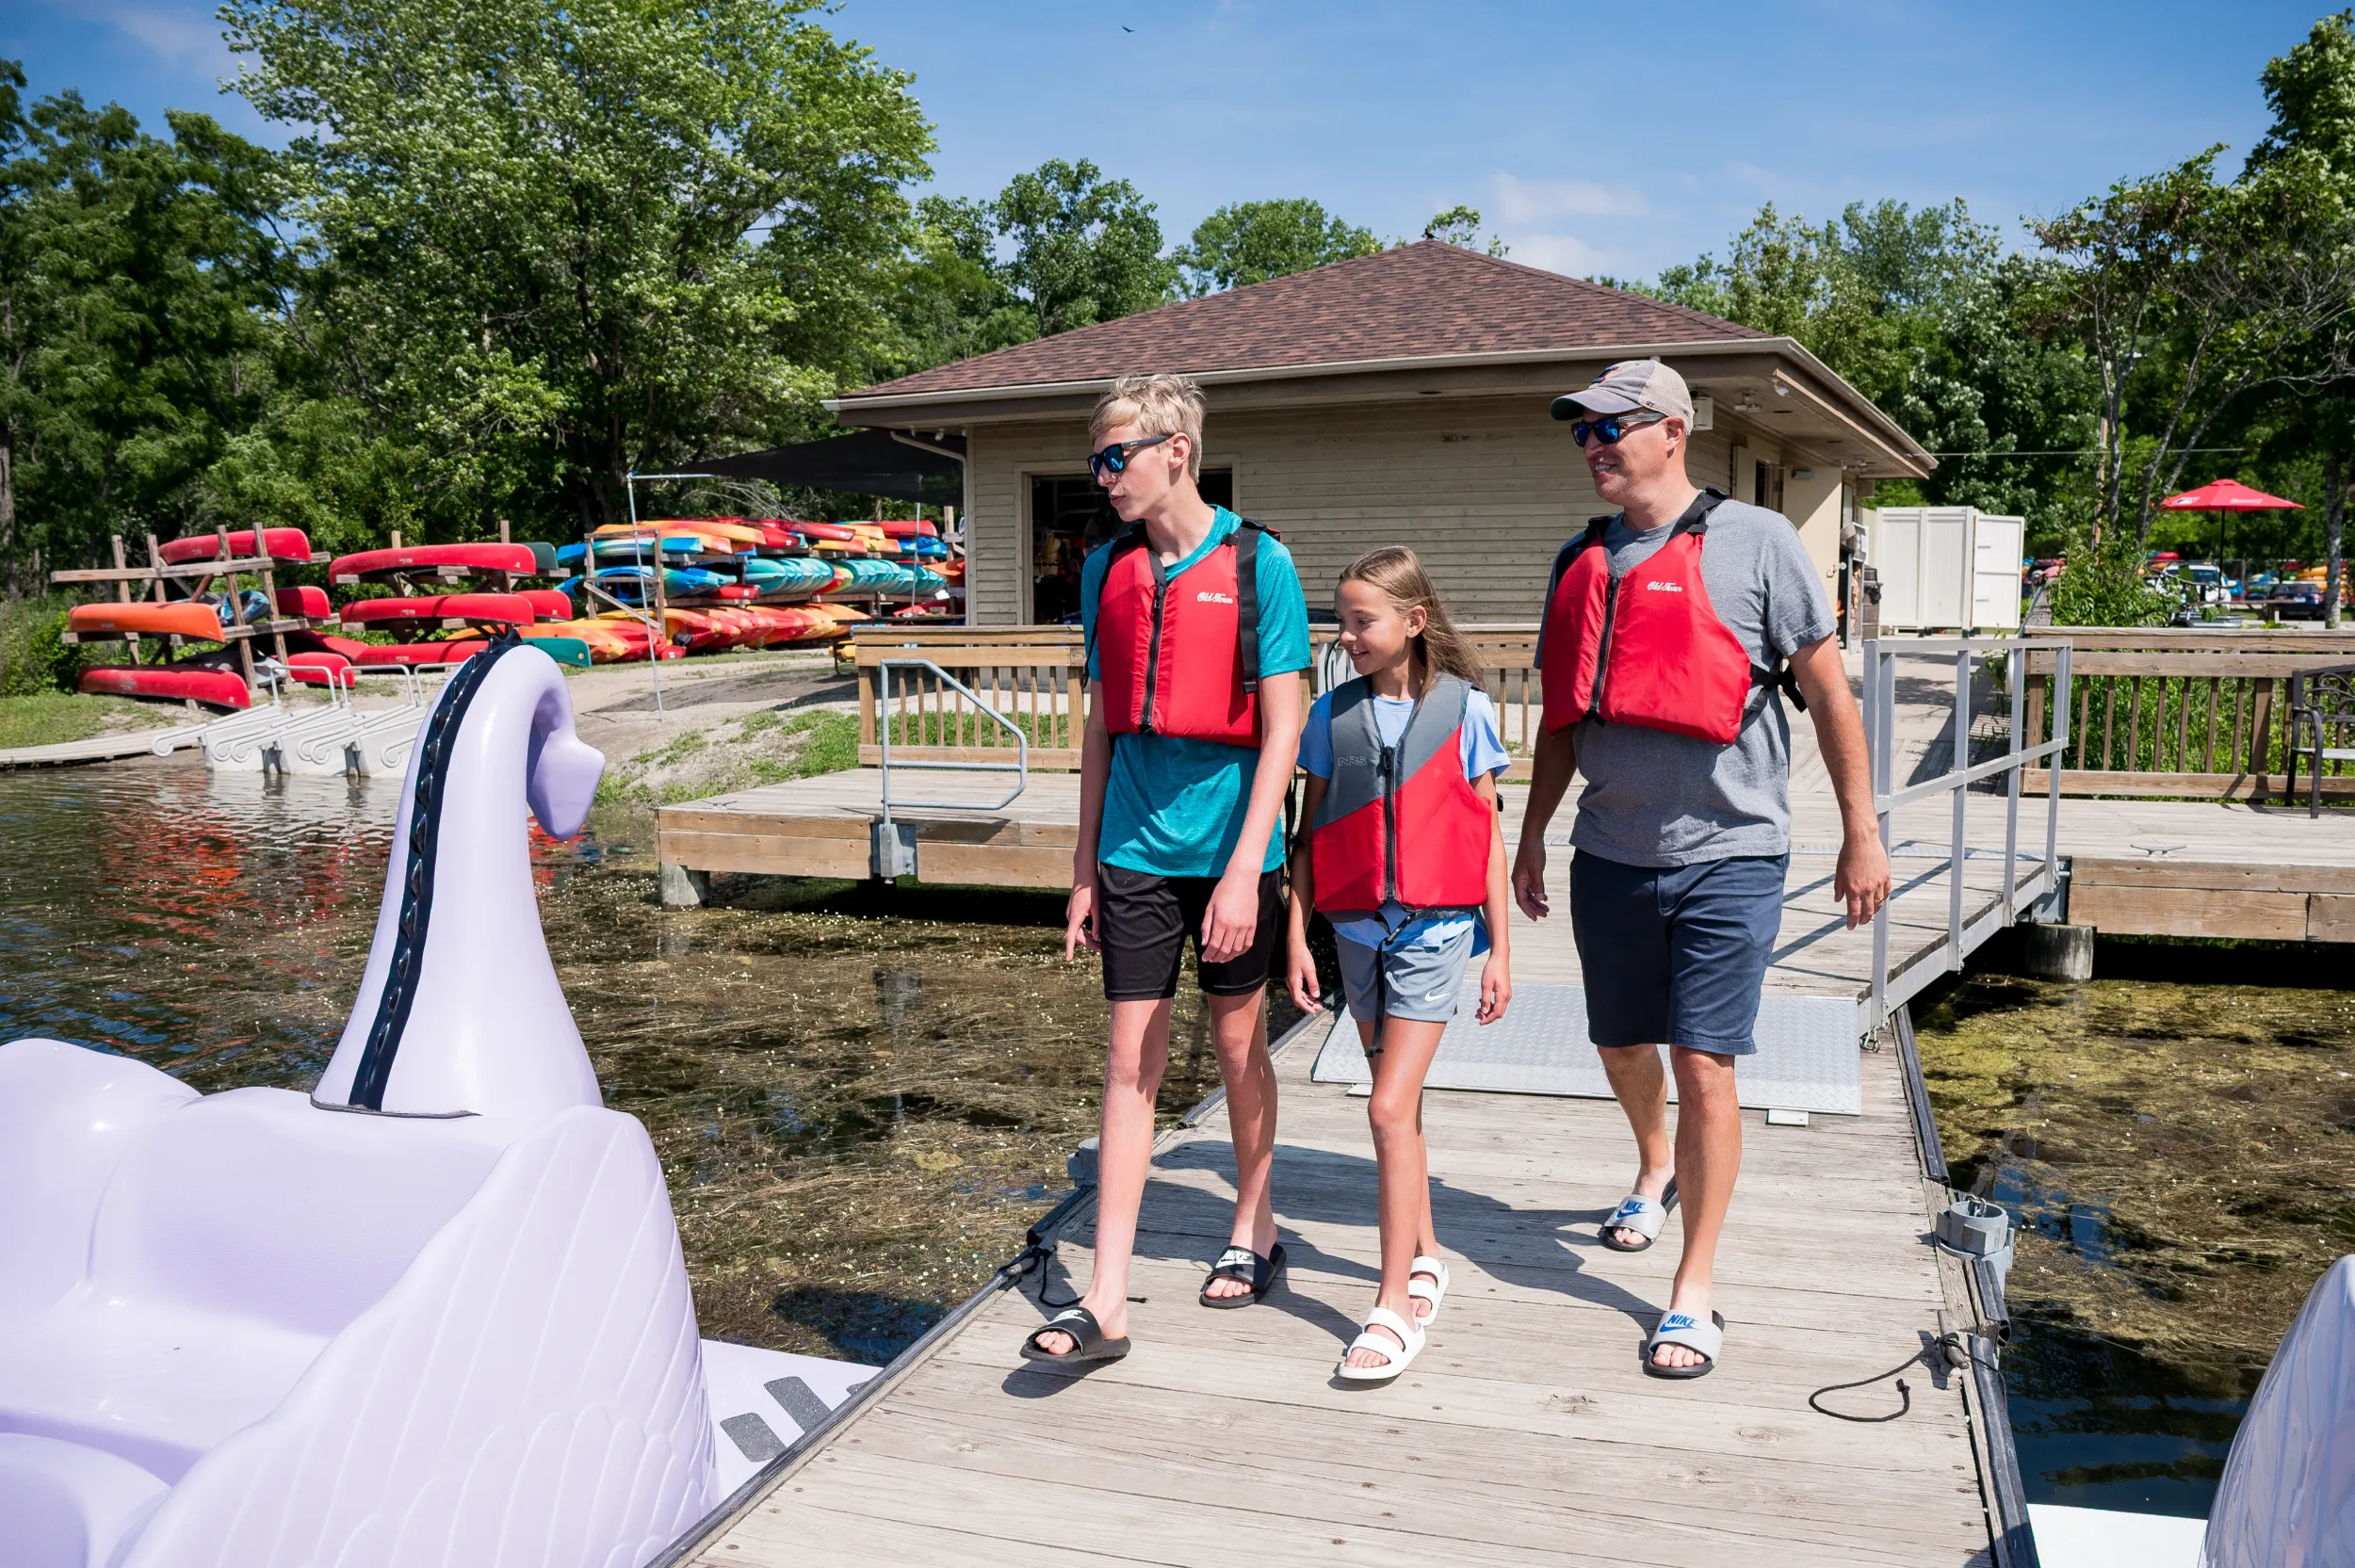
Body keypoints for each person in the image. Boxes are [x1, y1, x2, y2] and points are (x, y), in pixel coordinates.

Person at [1511, 359, 1891, 1380]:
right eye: (1580, 433)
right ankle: (1650, 1166)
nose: (1592, 447)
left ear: (1671, 429)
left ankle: (1692, 1290)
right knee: (1622, 1046)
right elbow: (1563, 715)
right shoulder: (1576, 560)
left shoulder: (1757, 544)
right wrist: (1533, 828)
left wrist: (1862, 830)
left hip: (1734, 854)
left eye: (1610, 429)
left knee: (1703, 1063)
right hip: (1611, 854)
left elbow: (1830, 696)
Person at [1021, 373, 1310, 1364]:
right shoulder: (1106, 570)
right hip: (1133, 851)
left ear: (1174, 449)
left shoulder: (1260, 562)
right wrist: (1083, 866)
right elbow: (1101, 728)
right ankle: (1105, 1298)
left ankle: (1254, 1227)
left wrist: (1243, 873)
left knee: (1238, 1048)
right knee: (1125, 1063)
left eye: (1116, 457)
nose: (1101, 478)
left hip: (1232, 853)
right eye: (1096, 460)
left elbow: (1282, 733)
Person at [1285, 547, 1512, 1382]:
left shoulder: (1468, 711)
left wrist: (1499, 954)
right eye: (1341, 621)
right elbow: (1309, 839)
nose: (1346, 636)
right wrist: (1296, 936)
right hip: (1355, 933)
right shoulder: (1329, 716)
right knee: (1399, 1107)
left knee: (1384, 1106)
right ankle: (1427, 1253)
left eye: (1362, 621)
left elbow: (1484, 835)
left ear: (1414, 623)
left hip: (1435, 931)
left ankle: (1390, 1307)